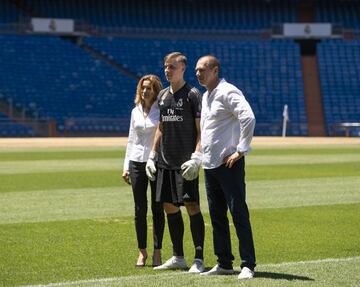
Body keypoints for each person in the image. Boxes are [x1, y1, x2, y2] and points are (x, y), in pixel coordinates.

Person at [195, 55, 256, 279]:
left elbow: (248, 117)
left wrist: (241, 150)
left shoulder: (228, 91)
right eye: (196, 71)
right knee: (217, 215)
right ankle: (224, 263)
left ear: (215, 70)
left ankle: (248, 264)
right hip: (210, 165)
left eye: (202, 69)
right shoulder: (205, 95)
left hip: (228, 164)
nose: (198, 74)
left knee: (238, 213)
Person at [146, 52, 205, 273]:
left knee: (191, 206)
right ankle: (178, 256)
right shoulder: (162, 95)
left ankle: (198, 258)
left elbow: (201, 131)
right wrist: (153, 155)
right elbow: (160, 128)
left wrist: (197, 156)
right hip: (165, 162)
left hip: (185, 163)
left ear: (183, 69)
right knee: (169, 207)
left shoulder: (192, 95)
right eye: (165, 67)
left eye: (172, 67)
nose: (167, 70)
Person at [122, 74, 165, 267]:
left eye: (149, 88)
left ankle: (157, 251)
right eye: (143, 88)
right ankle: (142, 251)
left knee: (157, 208)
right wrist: (126, 166)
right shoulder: (135, 111)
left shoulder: (161, 110)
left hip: (156, 161)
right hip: (136, 162)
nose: (145, 91)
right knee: (139, 209)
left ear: (156, 90)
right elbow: (131, 140)